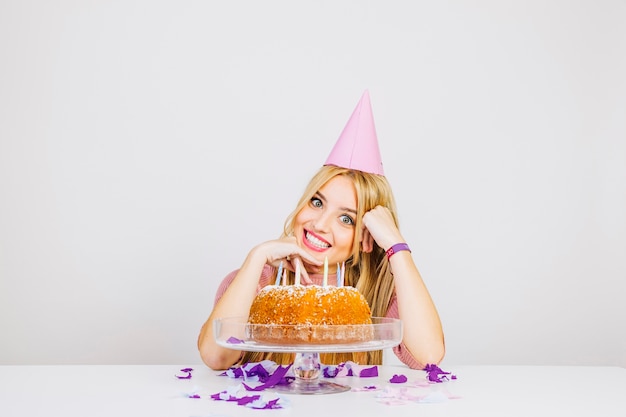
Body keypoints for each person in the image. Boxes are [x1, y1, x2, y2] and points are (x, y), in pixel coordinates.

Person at [198, 91, 445, 370]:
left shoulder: (374, 292)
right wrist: (256, 258)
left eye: (346, 219)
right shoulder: (257, 280)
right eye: (317, 202)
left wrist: (396, 246)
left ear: (367, 238)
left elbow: (428, 356)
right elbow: (216, 356)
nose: (319, 224)